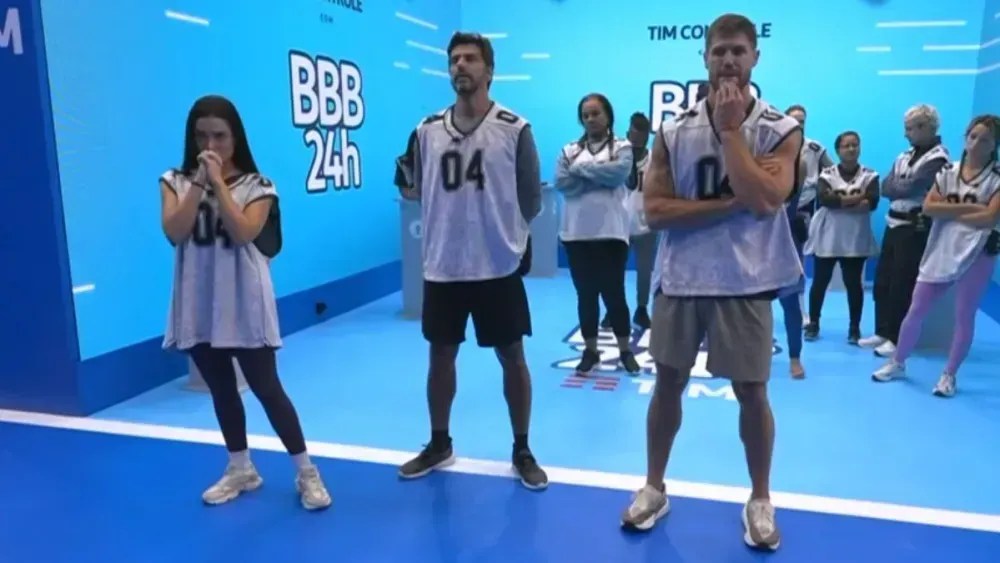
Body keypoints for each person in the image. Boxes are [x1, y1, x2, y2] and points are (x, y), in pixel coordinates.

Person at [620, 14, 803, 552]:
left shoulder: (779, 129)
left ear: (754, 58)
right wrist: (731, 204)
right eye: (719, 50)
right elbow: (655, 211)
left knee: (752, 392)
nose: (728, 60)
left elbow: (766, 199)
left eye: (738, 51)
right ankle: (654, 487)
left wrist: (729, 132)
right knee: (667, 384)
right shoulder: (673, 131)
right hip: (681, 280)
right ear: (704, 57)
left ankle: (760, 498)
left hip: (746, 282)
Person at [159, 95, 331, 510]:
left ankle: (306, 470)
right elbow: (175, 232)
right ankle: (240, 467)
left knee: (267, 387)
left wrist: (219, 184)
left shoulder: (259, 186)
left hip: (244, 299)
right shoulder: (173, 181)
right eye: (202, 136)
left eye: (219, 136)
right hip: (199, 299)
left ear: (235, 137)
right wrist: (199, 182)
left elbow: (242, 232)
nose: (210, 145)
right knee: (221, 389)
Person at [395, 32, 548, 490]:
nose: (460, 65)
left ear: (489, 69)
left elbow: (531, 200)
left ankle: (522, 448)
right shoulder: (426, 130)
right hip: (443, 266)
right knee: (440, 355)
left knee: (512, 356)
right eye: (454, 59)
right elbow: (411, 187)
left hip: (496, 266)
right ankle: (439, 443)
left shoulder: (515, 129)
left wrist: (505, 237)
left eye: (470, 59)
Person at [872, 115, 1000, 397]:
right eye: (973, 136)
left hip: (978, 251)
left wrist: (949, 210)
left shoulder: (996, 178)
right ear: (965, 138)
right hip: (941, 246)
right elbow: (929, 208)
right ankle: (898, 362)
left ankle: (949, 375)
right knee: (916, 308)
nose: (977, 143)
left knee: (964, 314)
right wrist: (970, 209)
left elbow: (991, 217)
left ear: (995, 145)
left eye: (986, 140)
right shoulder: (948, 172)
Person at [555, 94, 640, 375]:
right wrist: (598, 177)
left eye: (596, 113)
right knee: (586, 296)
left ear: (608, 116)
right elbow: (563, 183)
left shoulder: (622, 147)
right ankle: (590, 351)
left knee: (614, 295)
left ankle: (625, 351)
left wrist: (581, 170)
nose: (590, 119)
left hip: (611, 234)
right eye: (585, 115)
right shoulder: (569, 149)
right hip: (576, 235)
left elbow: (618, 175)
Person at [860, 105, 949, 357]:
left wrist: (898, 186)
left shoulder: (939, 159)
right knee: (883, 281)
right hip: (893, 223)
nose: (905, 134)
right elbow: (886, 186)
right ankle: (882, 330)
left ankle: (897, 337)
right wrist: (898, 187)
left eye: (910, 129)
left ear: (925, 128)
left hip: (914, 228)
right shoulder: (904, 155)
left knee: (902, 283)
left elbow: (914, 187)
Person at [803, 131, 880, 344]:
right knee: (820, 282)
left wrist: (841, 201)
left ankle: (854, 328)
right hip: (828, 236)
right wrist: (857, 199)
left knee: (854, 285)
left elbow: (871, 202)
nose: (851, 149)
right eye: (846, 146)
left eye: (855, 145)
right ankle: (813, 323)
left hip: (855, 238)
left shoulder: (870, 175)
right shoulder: (827, 174)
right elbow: (826, 200)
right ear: (838, 150)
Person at [785, 104, 834, 326]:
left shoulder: (815, 148)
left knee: (799, 262)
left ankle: (801, 310)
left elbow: (832, 173)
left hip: (803, 210)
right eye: (794, 120)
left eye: (802, 121)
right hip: (777, 209)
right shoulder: (775, 145)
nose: (798, 124)